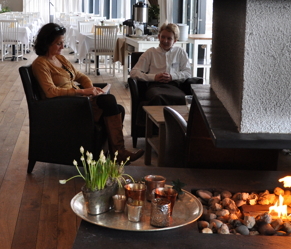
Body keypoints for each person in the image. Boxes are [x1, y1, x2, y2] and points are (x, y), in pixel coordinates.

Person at [31, 23, 143, 163]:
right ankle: (119, 153)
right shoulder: (40, 64)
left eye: (63, 43)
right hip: (64, 108)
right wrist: (82, 92)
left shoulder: (60, 59)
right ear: (47, 43)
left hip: (78, 102)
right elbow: (50, 92)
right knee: (108, 101)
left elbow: (80, 76)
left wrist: (91, 90)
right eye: (58, 43)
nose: (63, 47)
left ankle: (116, 153)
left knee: (117, 108)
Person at [130, 23, 193, 118]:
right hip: (154, 86)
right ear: (159, 37)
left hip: (174, 86)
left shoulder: (180, 52)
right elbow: (134, 73)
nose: (165, 41)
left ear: (175, 41)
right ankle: (155, 125)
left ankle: (179, 125)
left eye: (169, 38)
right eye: (163, 37)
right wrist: (154, 77)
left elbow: (188, 72)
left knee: (181, 98)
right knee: (158, 97)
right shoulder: (150, 53)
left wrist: (172, 76)